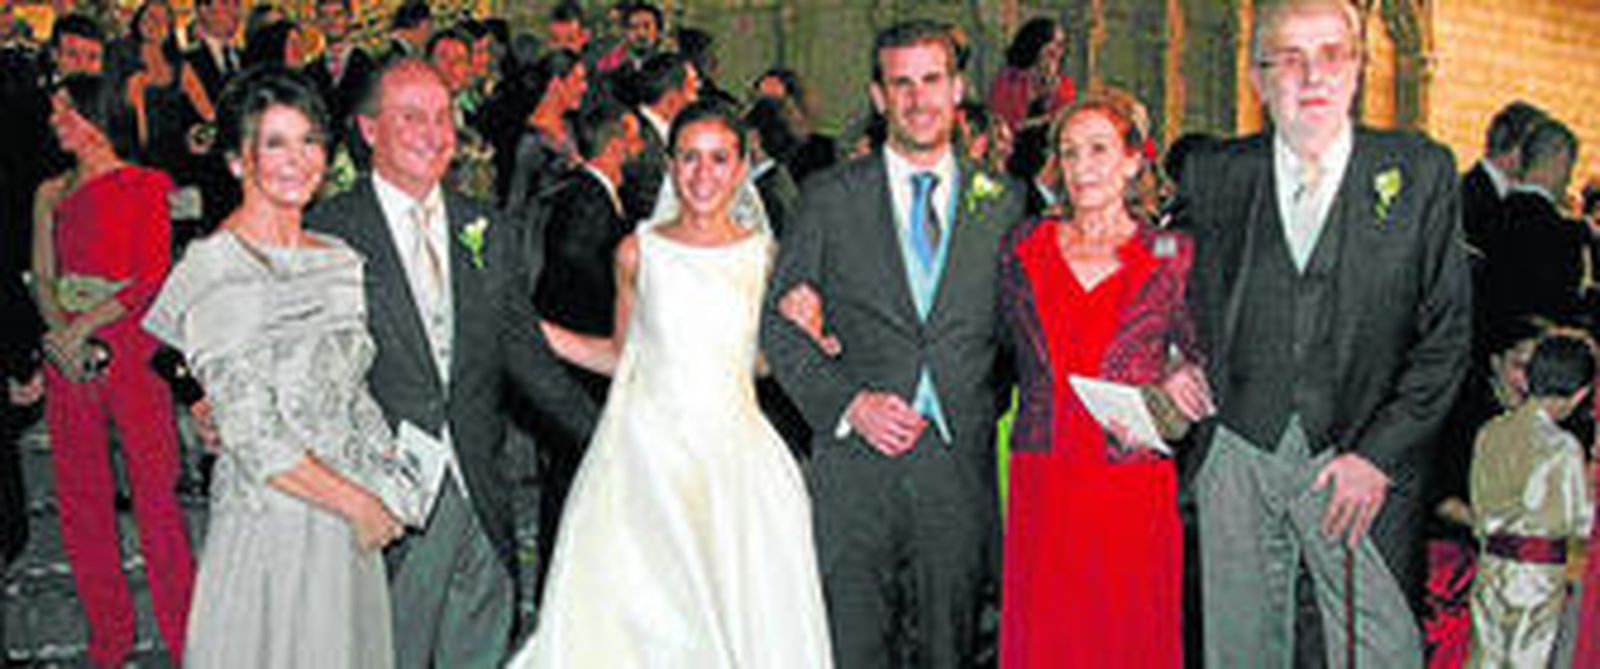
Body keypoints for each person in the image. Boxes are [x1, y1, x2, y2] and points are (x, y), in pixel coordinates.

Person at [1174, 0, 1472, 666]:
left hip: (1359, 455)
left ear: (1359, 67)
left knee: (1380, 647)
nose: (1313, 76)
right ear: (1258, 77)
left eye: (1333, 54)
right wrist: (1176, 358)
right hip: (1240, 451)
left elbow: (1446, 335)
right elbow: (1181, 298)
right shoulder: (1218, 172)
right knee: (1240, 648)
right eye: (1290, 57)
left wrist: (1379, 453)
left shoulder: (1419, 172)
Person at [507, 98, 831, 669]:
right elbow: (623, 356)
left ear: (739, 167)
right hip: (645, 457)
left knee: (734, 615)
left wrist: (809, 344)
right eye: (689, 158)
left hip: (736, 462)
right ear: (670, 164)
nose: (703, 175)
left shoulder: (764, 256)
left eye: (719, 159)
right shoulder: (639, 252)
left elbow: (757, 361)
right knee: (644, 621)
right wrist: (536, 331)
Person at [308, 57, 598, 669]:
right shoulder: (328, 233)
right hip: (385, 506)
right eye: (412, 118)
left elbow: (528, 358)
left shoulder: (486, 227)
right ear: (367, 131)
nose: (435, 134)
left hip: (480, 498)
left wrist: (609, 439)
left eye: (443, 118)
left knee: (484, 646)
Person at [762, 20, 1026, 668]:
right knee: (855, 646)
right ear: (879, 97)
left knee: (951, 647)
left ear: (958, 88)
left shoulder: (1005, 204)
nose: (918, 98)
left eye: (931, 80)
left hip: (957, 469)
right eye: (900, 83)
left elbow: (1033, 330)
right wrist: (850, 403)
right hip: (857, 475)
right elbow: (778, 326)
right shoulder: (827, 198)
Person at [143, 67, 415, 669]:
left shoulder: (341, 260)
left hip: (348, 520)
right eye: (275, 143)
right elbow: (251, 433)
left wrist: (388, 472)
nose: (298, 160)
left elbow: (352, 390)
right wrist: (358, 502)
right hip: (277, 521)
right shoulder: (218, 266)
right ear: (239, 161)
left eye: (309, 140)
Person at [998, 87, 1204, 668]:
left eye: (1098, 149)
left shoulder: (1172, 254)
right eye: (1069, 152)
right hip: (1045, 472)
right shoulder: (1024, 246)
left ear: (1134, 158)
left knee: (1125, 634)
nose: (1082, 167)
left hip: (1131, 480)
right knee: (1048, 638)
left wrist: (1183, 379)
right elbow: (977, 339)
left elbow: (1205, 358)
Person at [29, 73, 195, 668]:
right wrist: (60, 333)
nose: (54, 121)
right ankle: (110, 637)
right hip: (69, 359)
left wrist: (80, 327)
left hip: (131, 349)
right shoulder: (49, 191)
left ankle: (185, 637)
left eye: (64, 111)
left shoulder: (147, 183)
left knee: (157, 499)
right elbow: (42, 276)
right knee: (81, 502)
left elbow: (151, 277)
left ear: (95, 117)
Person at [1467, 331, 1594, 669]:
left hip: (1490, 567)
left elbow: (1478, 503)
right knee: (1528, 660)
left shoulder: (1490, 431)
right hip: (1536, 576)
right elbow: (1580, 522)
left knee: (1485, 658)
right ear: (1581, 394)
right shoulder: (1562, 446)